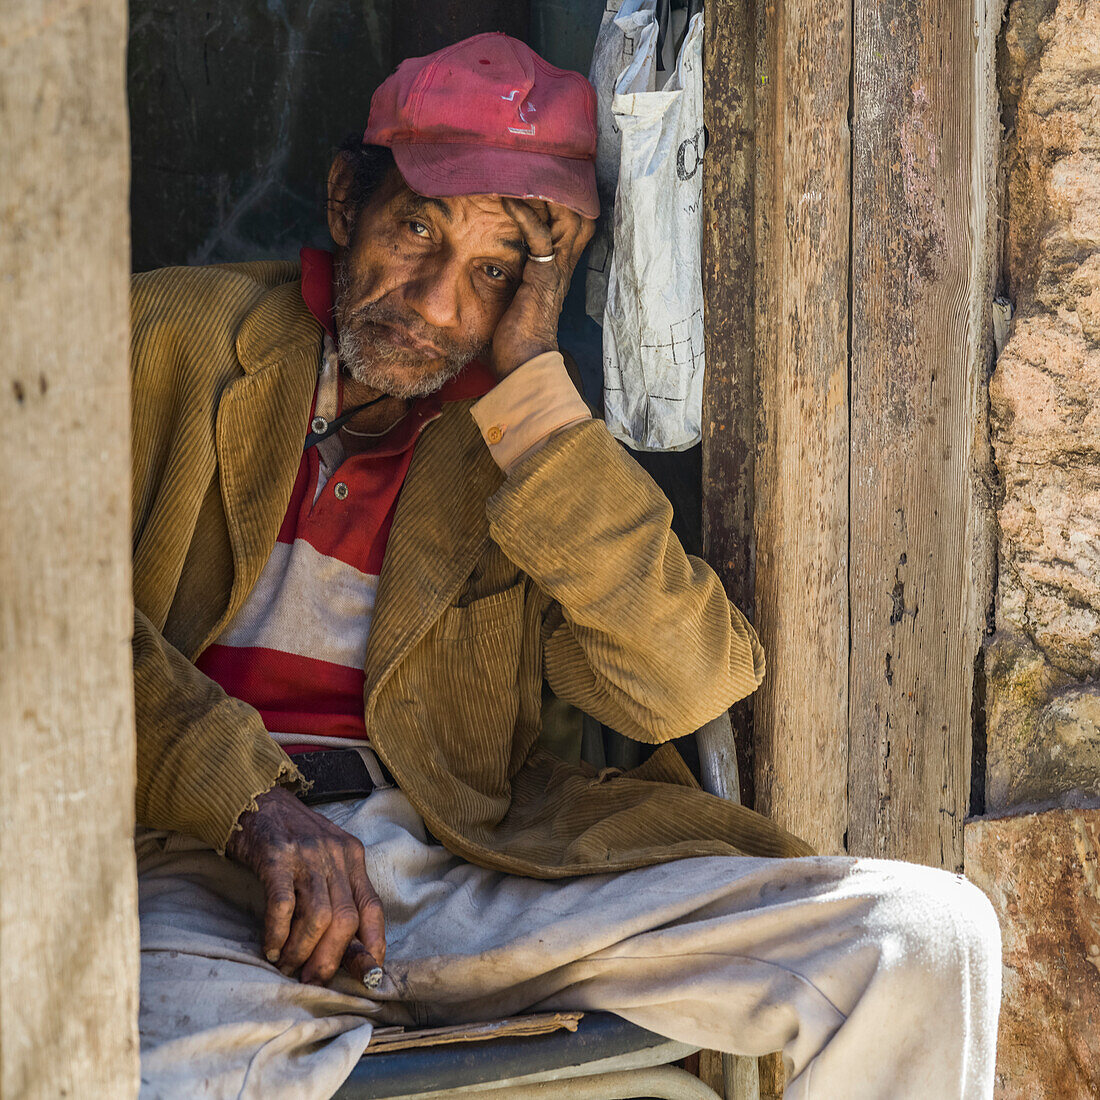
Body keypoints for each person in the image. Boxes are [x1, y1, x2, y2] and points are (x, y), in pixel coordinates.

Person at [132, 32, 1001, 1100]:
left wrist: (536, 388)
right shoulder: (167, 340)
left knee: (921, 936)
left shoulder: (517, 435)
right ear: (342, 199)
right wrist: (249, 799)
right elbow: (36, 626)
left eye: (494, 271)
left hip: (458, 864)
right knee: (137, 1064)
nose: (441, 304)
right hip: (195, 866)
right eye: (416, 230)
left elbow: (682, 680)